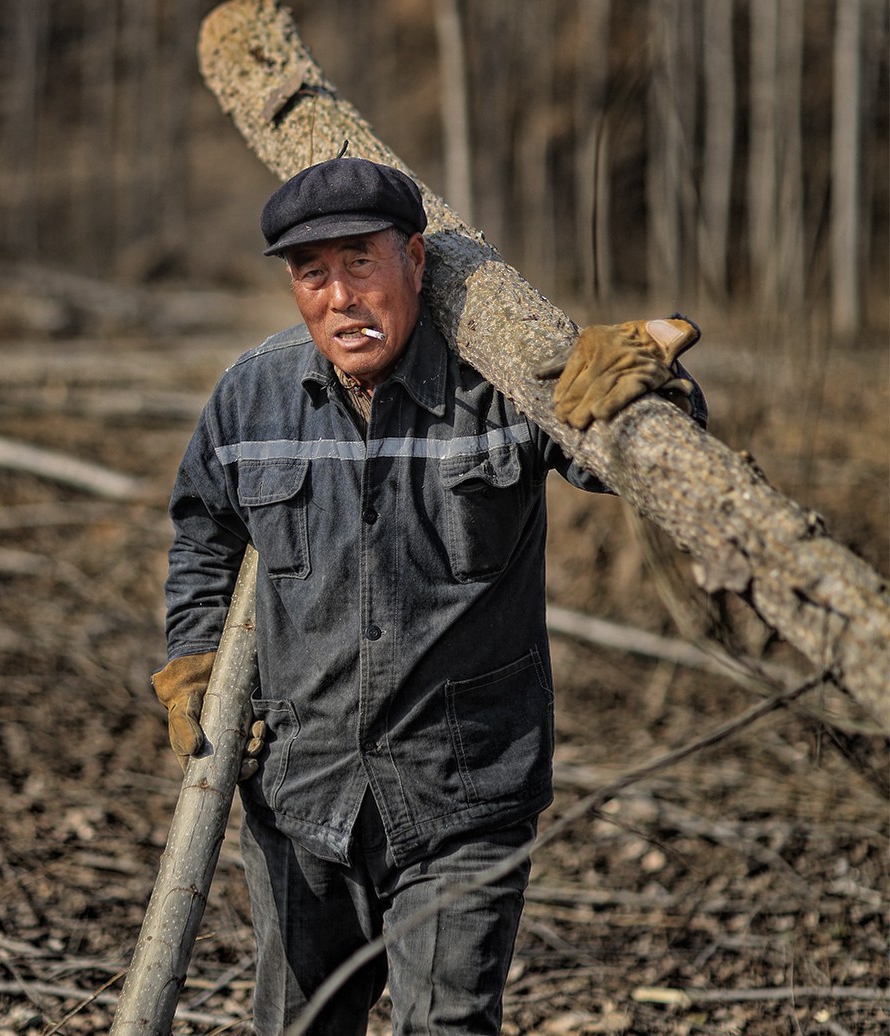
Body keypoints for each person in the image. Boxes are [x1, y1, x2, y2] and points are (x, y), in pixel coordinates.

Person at [151, 154, 705, 1034]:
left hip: (463, 795)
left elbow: (628, 459)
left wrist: (644, 386)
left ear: (415, 260)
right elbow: (205, 532)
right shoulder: (252, 399)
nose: (340, 297)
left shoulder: (502, 386)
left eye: (361, 262)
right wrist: (192, 658)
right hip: (302, 792)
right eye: (312, 273)